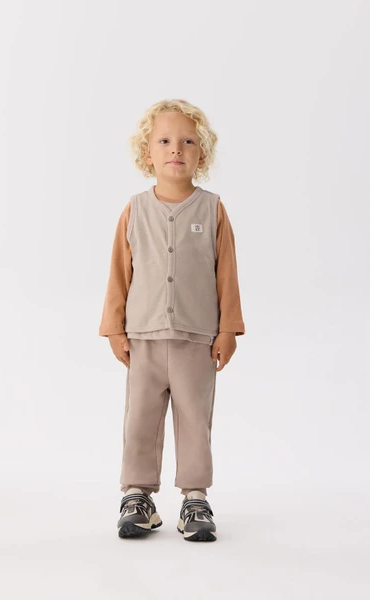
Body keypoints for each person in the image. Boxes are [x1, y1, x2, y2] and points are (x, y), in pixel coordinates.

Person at [99, 99, 245, 542]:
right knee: (139, 420)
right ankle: (137, 496)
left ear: (203, 154)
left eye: (187, 142)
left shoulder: (213, 210)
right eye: (164, 141)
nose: (176, 149)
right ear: (147, 153)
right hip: (142, 338)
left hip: (197, 339)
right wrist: (114, 327)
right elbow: (119, 272)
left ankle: (195, 497)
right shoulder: (134, 210)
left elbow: (227, 273)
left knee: (195, 419)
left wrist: (228, 329)